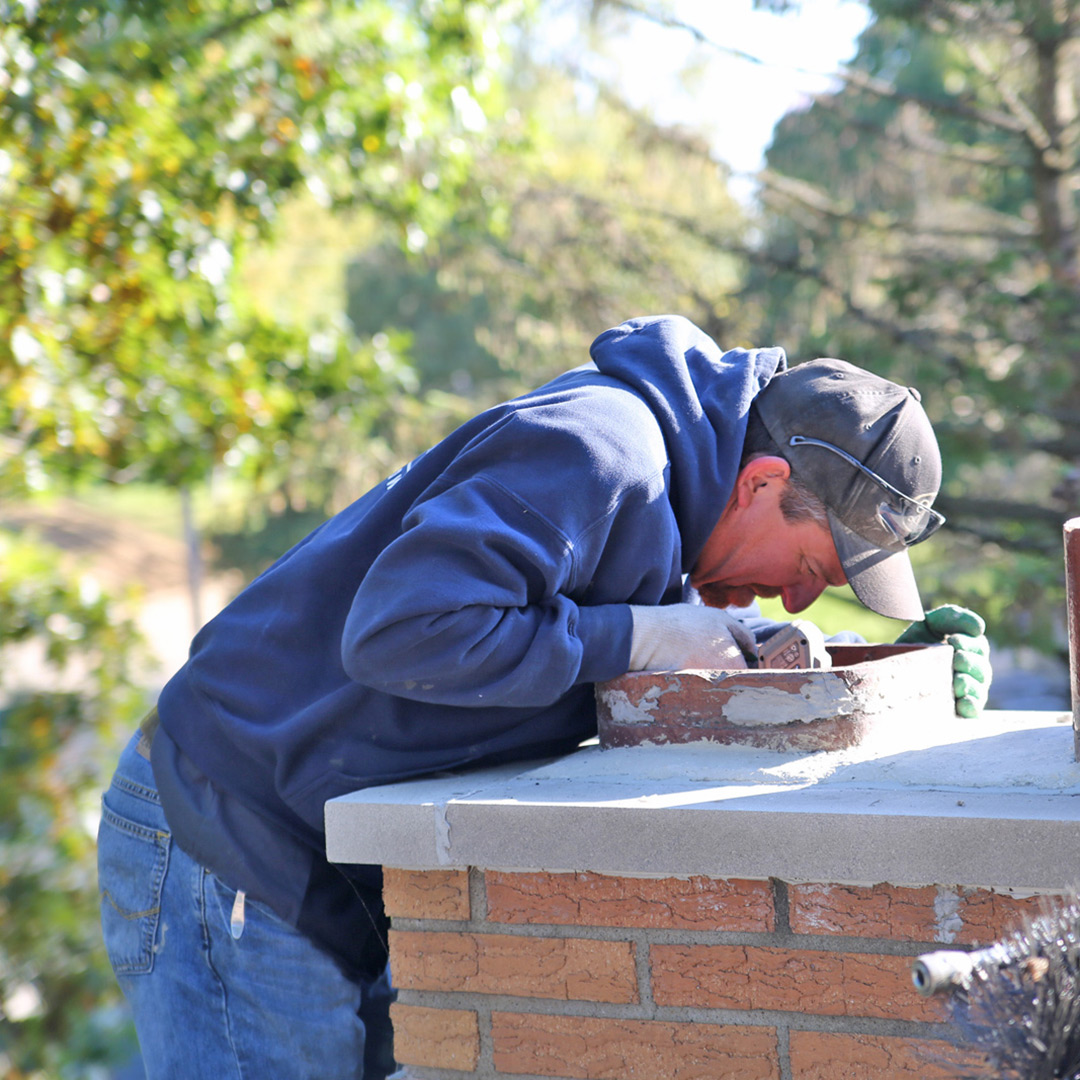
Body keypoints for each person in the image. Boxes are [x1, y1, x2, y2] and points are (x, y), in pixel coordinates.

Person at [97, 314, 991, 1078]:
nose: (792, 600)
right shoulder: (599, 451)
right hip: (228, 836)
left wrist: (839, 666)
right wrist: (639, 636)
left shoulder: (674, 500)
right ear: (761, 484)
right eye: (806, 571)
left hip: (318, 861)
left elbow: (578, 619)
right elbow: (400, 633)